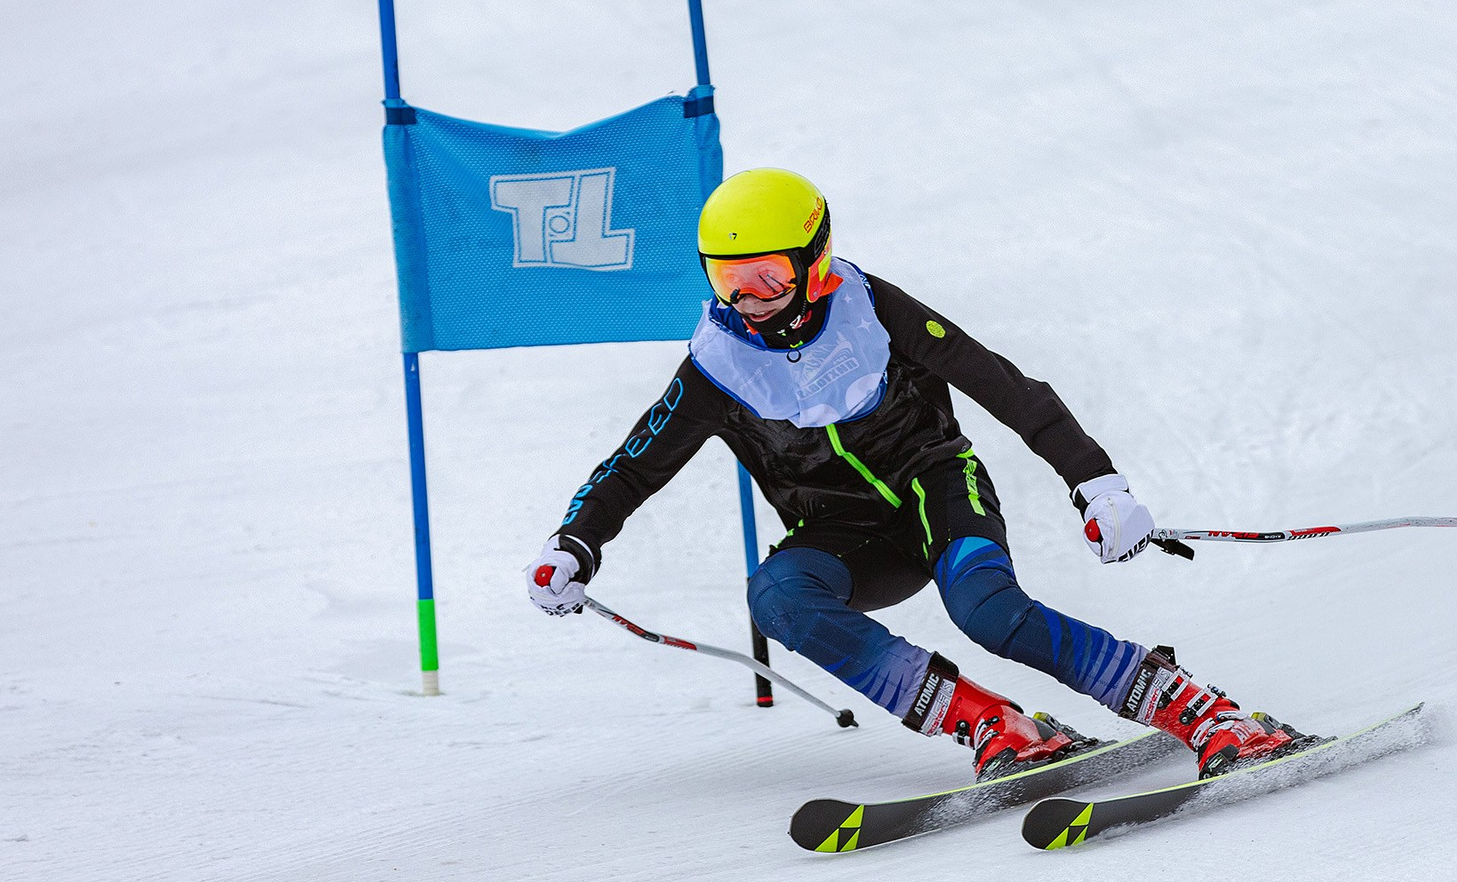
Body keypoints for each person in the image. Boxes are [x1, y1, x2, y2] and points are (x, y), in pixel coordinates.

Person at [525, 168, 1306, 781]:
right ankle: (990, 721)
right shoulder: (718, 364)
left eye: (766, 277)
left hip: (939, 488)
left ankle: (1201, 709)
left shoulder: (875, 311)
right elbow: (634, 465)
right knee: (776, 596)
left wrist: (1096, 483)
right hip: (845, 535)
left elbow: (1003, 384)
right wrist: (576, 542)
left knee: (988, 612)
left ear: (814, 261)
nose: (748, 302)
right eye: (728, 281)